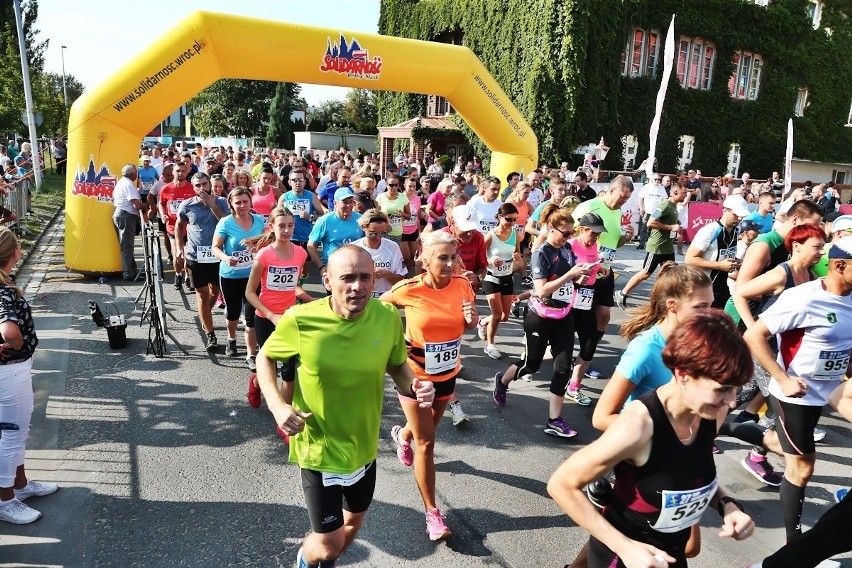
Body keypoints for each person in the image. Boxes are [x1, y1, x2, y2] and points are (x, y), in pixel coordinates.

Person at [255, 245, 435, 568]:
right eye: (347, 278)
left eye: (366, 277)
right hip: (319, 449)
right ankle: (305, 559)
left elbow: (397, 365)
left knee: (352, 525)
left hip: (364, 448)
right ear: (327, 280)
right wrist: (278, 407)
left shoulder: (387, 316)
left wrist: (414, 385)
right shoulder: (301, 320)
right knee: (327, 543)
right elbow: (265, 356)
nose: (358, 286)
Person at [549, 311, 755, 568]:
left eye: (736, 389)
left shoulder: (710, 412)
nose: (733, 401)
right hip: (625, 558)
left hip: (670, 553)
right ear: (683, 375)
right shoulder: (639, 425)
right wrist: (625, 548)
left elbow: (693, 472)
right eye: (722, 389)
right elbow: (561, 485)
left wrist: (727, 504)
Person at [743, 236, 852, 542]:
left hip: (833, 394)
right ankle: (795, 545)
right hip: (797, 395)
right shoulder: (804, 298)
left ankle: (731, 426)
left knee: (782, 444)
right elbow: (754, 336)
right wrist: (782, 378)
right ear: (840, 265)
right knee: (802, 467)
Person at [381, 230, 478, 540]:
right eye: (443, 258)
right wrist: (395, 347)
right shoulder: (408, 289)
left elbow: (468, 323)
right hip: (415, 376)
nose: (450, 264)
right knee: (428, 444)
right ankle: (433, 514)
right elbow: (377, 313)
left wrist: (473, 318)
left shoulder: (463, 285)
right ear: (424, 260)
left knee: (426, 432)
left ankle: (401, 434)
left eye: (454, 257)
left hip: (447, 373)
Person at [493, 208, 594, 437]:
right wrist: (570, 276)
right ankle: (504, 379)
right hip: (540, 316)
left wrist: (580, 276)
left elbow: (567, 279)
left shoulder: (567, 249)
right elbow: (541, 289)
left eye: (572, 233)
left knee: (563, 366)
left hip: (563, 314)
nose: (569, 238)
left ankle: (554, 420)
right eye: (565, 233)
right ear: (551, 228)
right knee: (531, 364)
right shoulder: (542, 253)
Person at [0, 227, 56, 525]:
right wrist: (15, 343)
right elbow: (10, 332)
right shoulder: (3, 291)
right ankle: (5, 499)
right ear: (14, 253)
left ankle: (19, 485)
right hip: (9, 371)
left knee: (17, 431)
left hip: (10, 370)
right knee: (12, 434)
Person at [244, 206, 311, 414]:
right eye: (281, 226)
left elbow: (293, 284)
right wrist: (271, 315)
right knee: (269, 368)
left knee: (290, 369)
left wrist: (306, 298)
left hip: (290, 317)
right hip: (266, 317)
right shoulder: (264, 255)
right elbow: (250, 293)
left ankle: (284, 416)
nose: (287, 230)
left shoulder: (300, 253)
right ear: (271, 226)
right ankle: (255, 382)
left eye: (290, 226)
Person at [174, 173, 230, 352]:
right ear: (193, 187)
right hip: (195, 256)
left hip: (218, 255)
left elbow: (227, 222)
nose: (202, 188)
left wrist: (212, 205)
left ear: (210, 185)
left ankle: (205, 312)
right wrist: (179, 247)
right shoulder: (187, 205)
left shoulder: (221, 202)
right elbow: (179, 224)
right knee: (202, 295)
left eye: (204, 184)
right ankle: (210, 334)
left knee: (215, 291)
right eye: (197, 185)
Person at [212, 187, 265, 366]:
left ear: (251, 202)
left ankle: (251, 355)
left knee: (251, 316)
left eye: (245, 202)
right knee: (233, 313)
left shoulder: (259, 221)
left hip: (253, 276)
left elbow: (266, 243)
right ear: (231, 205)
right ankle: (231, 337)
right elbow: (215, 248)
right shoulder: (225, 223)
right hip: (231, 276)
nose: (242, 206)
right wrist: (227, 258)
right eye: (238, 203)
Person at [564, 213, 610, 406]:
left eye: (599, 234)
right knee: (562, 346)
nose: (596, 238)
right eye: (593, 233)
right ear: (581, 229)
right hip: (568, 299)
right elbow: (558, 273)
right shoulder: (570, 246)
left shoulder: (594, 246)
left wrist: (600, 270)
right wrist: (574, 278)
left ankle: (573, 385)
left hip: (587, 298)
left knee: (589, 344)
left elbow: (592, 263)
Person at [617, 183, 686, 308]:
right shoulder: (664, 205)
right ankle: (622, 293)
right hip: (657, 247)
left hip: (668, 248)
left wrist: (676, 226)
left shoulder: (674, 206)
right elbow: (650, 223)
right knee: (646, 273)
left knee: (669, 274)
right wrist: (671, 227)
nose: (686, 196)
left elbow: (670, 222)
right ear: (675, 193)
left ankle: (663, 299)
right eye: (683, 193)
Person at [684, 195, 750, 309]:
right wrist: (719, 265)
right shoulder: (709, 231)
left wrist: (737, 262)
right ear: (724, 211)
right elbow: (689, 259)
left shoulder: (736, 231)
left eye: (741, 216)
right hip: (701, 287)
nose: (739, 219)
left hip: (722, 287)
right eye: (735, 215)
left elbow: (725, 257)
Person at [477, 203, 523, 359]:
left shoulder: (515, 233)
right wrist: (490, 261)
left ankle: (482, 322)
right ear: (499, 217)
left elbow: (518, 253)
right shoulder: (490, 235)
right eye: (509, 219)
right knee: (497, 315)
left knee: (504, 316)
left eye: (515, 220)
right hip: (491, 277)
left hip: (507, 277)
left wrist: (517, 256)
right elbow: (480, 257)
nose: (512, 223)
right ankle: (490, 345)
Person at [307, 188, 365, 282]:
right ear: (335, 203)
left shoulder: (360, 219)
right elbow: (311, 246)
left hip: (355, 268)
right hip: (333, 269)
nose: (348, 205)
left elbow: (366, 243)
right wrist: (321, 267)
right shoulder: (325, 221)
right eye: (344, 202)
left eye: (351, 202)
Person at [159, 162, 196, 290]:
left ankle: (186, 276)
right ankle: (178, 274)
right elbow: (161, 203)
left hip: (189, 228)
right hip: (172, 227)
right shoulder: (166, 189)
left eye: (183, 171)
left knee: (188, 255)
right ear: (173, 172)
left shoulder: (192, 188)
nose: (180, 174)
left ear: (187, 172)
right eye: (177, 171)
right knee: (177, 254)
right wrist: (163, 214)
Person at [354, 210, 407, 297]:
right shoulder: (354, 249)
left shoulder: (393, 247)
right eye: (373, 234)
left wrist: (387, 273)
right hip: (361, 298)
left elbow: (401, 280)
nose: (378, 238)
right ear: (363, 227)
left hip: (387, 298)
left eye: (382, 233)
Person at [112, 164, 143, 281]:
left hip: (121, 213)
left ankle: (132, 271)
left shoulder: (121, 182)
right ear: (132, 174)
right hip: (126, 215)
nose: (137, 175)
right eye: (136, 173)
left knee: (127, 246)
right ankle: (129, 273)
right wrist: (145, 205)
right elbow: (137, 204)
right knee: (127, 246)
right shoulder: (129, 185)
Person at [375, 173, 411, 243]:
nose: (394, 187)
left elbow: (409, 216)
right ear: (386, 185)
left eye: (396, 185)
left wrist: (402, 214)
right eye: (391, 185)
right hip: (384, 232)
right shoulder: (380, 197)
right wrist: (384, 216)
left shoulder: (403, 197)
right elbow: (375, 215)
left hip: (397, 233)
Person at [399, 175, 423, 274]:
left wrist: (419, 232)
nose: (412, 188)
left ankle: (408, 275)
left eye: (414, 186)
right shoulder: (400, 198)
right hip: (402, 231)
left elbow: (418, 216)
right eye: (410, 186)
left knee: (412, 256)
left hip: (413, 231)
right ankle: (405, 276)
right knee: (407, 256)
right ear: (404, 186)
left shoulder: (417, 199)